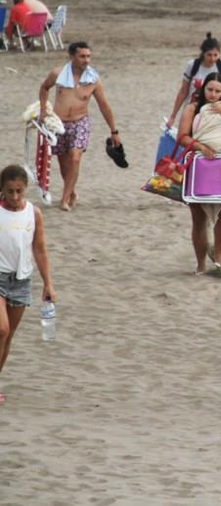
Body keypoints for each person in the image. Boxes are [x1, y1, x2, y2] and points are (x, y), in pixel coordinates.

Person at [38, 42, 122, 211]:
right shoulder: (58, 74)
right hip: (58, 122)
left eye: (88, 56)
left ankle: (64, 199)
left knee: (75, 158)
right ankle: (72, 193)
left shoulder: (93, 80)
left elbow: (104, 105)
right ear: (72, 57)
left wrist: (114, 131)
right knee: (63, 163)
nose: (86, 60)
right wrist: (43, 111)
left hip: (80, 121)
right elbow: (44, 88)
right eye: (82, 56)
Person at [175, 73, 221, 276]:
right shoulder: (192, 108)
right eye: (209, 89)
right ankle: (201, 264)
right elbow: (182, 137)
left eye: (217, 91)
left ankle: (218, 254)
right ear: (203, 89)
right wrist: (201, 147)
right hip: (199, 165)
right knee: (198, 218)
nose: (213, 94)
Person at [0, 165, 56, 404]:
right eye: (10, 191)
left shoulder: (33, 213)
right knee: (1, 329)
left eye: (19, 191)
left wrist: (48, 284)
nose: (14, 197)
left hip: (21, 279)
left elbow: (39, 249)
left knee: (8, 336)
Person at [166, 34, 221, 129]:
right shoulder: (193, 65)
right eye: (209, 55)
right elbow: (183, 91)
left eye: (216, 55)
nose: (212, 59)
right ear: (203, 53)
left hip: (213, 112)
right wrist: (173, 115)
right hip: (192, 109)